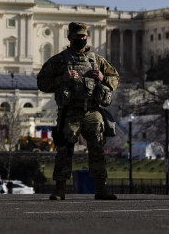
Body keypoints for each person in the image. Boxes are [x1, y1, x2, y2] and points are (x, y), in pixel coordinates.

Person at [37, 22, 119, 200]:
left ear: (87, 37)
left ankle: (101, 188)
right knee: (64, 150)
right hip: (70, 112)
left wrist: (103, 78)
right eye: (77, 37)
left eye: (83, 36)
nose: (80, 39)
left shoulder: (96, 60)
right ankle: (60, 189)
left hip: (92, 111)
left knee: (97, 149)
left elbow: (115, 78)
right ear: (69, 37)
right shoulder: (59, 60)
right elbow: (42, 82)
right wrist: (62, 78)